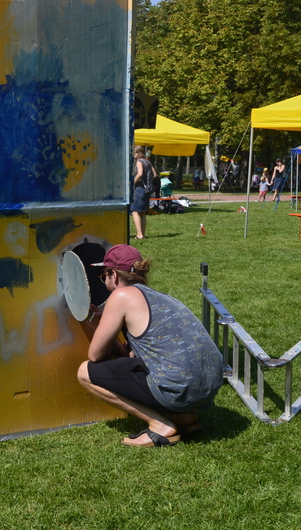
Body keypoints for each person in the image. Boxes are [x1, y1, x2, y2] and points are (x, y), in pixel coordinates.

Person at [77, 245, 224, 447]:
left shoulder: (120, 296)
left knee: (85, 372)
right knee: (146, 364)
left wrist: (99, 326)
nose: (105, 282)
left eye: (104, 277)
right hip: (208, 388)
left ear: (114, 275)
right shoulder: (160, 297)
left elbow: (95, 356)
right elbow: (125, 356)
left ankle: (160, 425)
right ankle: (186, 417)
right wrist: (100, 325)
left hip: (181, 389)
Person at [131, 146, 157, 239]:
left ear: (138, 153)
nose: (133, 155)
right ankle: (143, 234)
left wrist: (132, 183)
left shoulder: (139, 162)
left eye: (134, 153)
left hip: (139, 189)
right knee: (142, 213)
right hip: (147, 190)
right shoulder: (148, 162)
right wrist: (148, 181)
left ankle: (139, 234)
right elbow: (155, 174)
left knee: (134, 211)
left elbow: (140, 173)